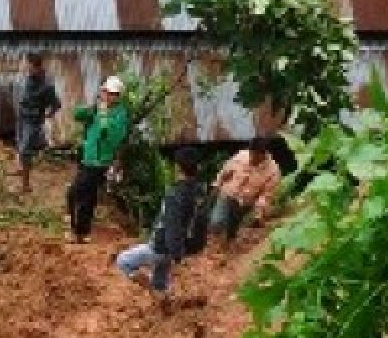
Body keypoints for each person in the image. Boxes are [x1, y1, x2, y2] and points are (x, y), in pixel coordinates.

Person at [116, 147, 203, 306]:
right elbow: (200, 221)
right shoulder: (197, 191)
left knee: (123, 262)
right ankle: (162, 298)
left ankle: (154, 291)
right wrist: (186, 248)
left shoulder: (175, 194)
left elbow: (172, 224)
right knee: (160, 279)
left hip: (162, 245)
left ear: (177, 167)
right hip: (175, 246)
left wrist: (175, 253)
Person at [67, 76, 130, 243]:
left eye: (112, 93)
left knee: (76, 193)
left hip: (100, 162)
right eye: (106, 91)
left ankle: (78, 231)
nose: (108, 96)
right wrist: (92, 108)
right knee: (86, 196)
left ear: (118, 96)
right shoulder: (98, 108)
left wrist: (102, 112)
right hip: (88, 158)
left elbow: (109, 135)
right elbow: (77, 115)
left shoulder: (120, 114)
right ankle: (82, 232)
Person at [209, 137, 282, 250]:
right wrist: (217, 185)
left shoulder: (273, 171)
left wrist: (259, 214)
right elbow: (225, 171)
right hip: (228, 194)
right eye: (251, 154)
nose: (252, 158)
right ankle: (215, 245)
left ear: (264, 154)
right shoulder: (241, 155)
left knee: (233, 226)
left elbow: (265, 195)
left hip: (245, 203)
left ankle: (226, 247)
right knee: (216, 221)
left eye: (256, 156)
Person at [13, 53, 61, 194]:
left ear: (35, 67)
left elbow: (57, 104)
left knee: (25, 151)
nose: (25, 67)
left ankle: (25, 186)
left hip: (32, 122)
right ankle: (22, 168)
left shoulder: (47, 86)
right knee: (19, 142)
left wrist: (47, 115)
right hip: (22, 117)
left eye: (27, 65)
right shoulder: (29, 78)